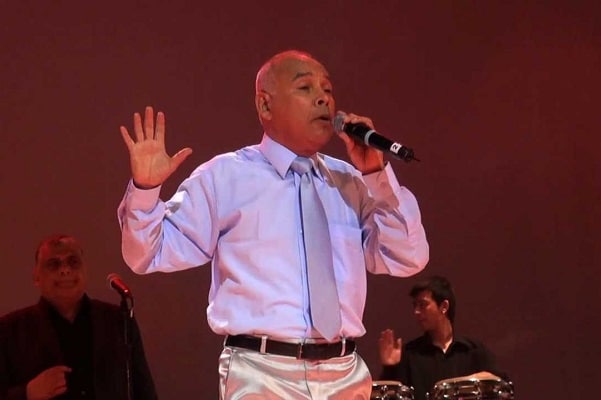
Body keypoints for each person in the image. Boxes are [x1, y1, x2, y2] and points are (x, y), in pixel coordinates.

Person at [117, 49, 429, 399]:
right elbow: (147, 253)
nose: (324, 98)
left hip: (344, 374)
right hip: (262, 373)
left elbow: (407, 257)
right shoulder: (227, 177)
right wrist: (145, 189)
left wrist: (376, 172)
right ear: (265, 105)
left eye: (327, 89)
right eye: (305, 87)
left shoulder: (351, 182)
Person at [0, 234, 158, 400]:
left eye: (73, 262)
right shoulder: (9, 332)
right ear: (36, 277)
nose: (65, 270)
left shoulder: (118, 321)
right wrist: (27, 393)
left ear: (85, 270)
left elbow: (144, 390)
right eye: (53, 264)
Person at [378, 275, 508, 400]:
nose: (416, 312)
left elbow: (501, 384)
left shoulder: (473, 350)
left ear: (444, 306)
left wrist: (466, 383)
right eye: (415, 305)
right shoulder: (409, 353)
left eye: (423, 305)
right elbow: (391, 396)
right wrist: (390, 367)